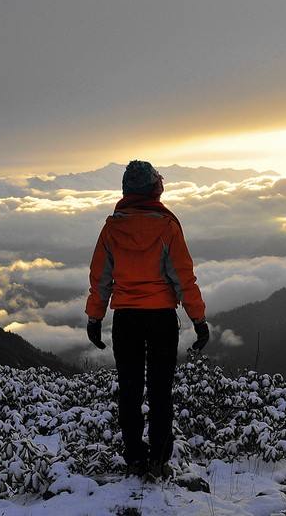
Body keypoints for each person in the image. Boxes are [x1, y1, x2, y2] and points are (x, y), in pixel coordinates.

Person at [85, 160, 209, 479]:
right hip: (161, 320)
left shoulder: (112, 227)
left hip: (126, 319)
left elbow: (100, 278)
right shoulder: (166, 226)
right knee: (159, 391)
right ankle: (159, 459)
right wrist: (198, 319)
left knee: (129, 390)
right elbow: (183, 278)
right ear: (153, 189)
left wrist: (95, 317)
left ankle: (134, 459)